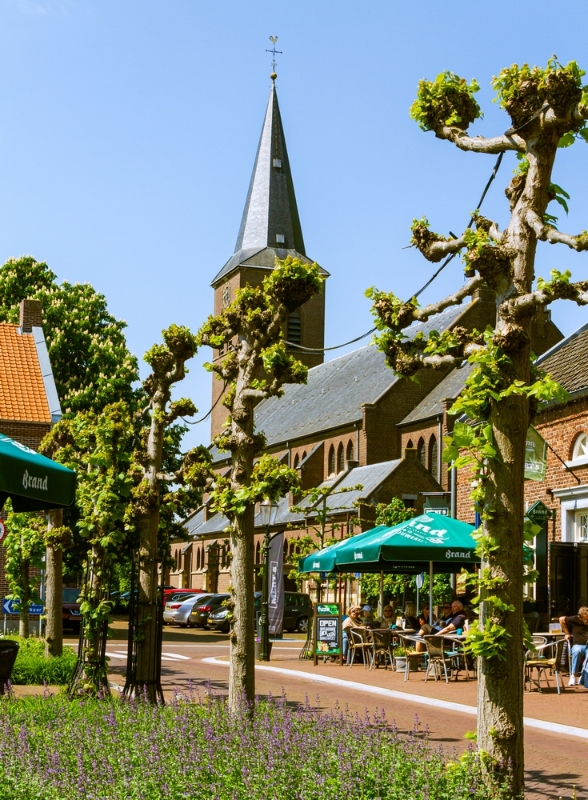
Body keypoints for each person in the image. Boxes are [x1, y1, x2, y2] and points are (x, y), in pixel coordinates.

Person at [559, 607, 588, 686]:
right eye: (585, 619)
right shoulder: (575, 619)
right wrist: (566, 633)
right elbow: (561, 619)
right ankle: (573, 675)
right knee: (577, 652)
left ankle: (584, 676)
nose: (586, 621)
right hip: (578, 644)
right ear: (580, 618)